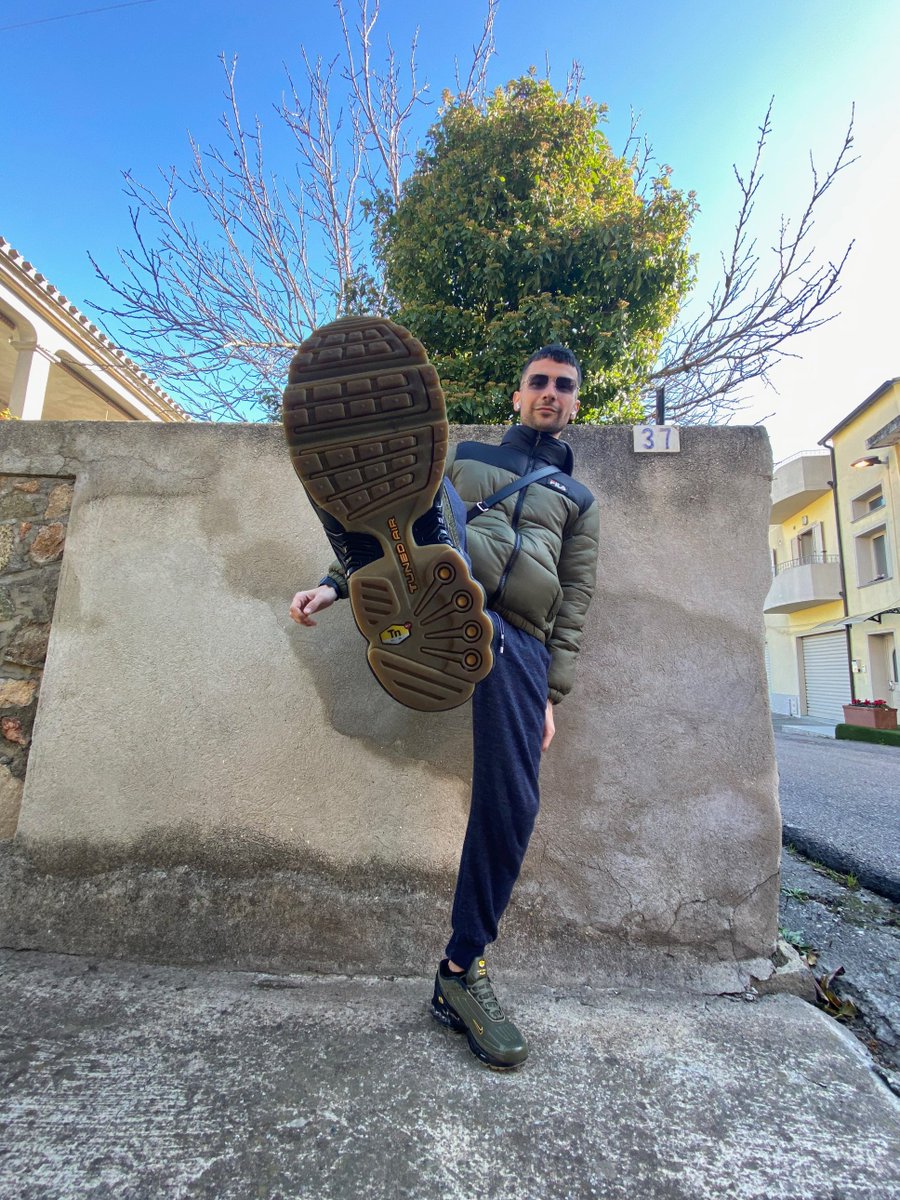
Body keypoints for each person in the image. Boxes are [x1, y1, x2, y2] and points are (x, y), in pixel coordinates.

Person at [284, 316, 599, 1070]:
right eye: (538, 383)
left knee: (513, 802)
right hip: (453, 584)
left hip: (518, 636)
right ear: (517, 395)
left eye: (563, 386)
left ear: (575, 403)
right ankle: (368, 562)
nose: (549, 394)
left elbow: (577, 597)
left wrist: (551, 693)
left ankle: (460, 970)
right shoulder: (470, 456)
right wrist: (333, 587)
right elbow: (410, 508)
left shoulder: (578, 498)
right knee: (426, 496)